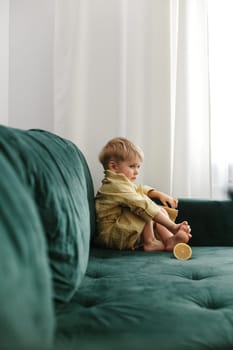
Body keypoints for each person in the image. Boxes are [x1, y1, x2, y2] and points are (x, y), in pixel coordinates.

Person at [94, 137, 191, 252]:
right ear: (113, 167)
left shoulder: (122, 183)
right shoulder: (114, 186)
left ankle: (169, 239)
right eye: (132, 166)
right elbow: (141, 203)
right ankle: (150, 242)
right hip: (112, 236)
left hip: (122, 231)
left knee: (159, 210)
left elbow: (140, 189)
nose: (137, 171)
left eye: (138, 166)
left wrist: (158, 194)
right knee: (143, 205)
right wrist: (173, 226)